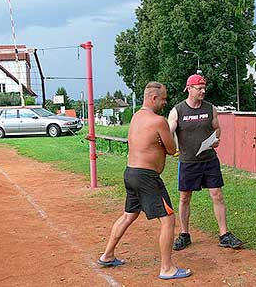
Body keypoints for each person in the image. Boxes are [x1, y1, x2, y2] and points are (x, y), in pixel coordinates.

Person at [98, 82, 192, 280]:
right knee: (168, 219)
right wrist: (168, 144)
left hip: (131, 173)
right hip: (146, 177)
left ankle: (107, 255)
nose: (165, 102)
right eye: (164, 98)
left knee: (128, 215)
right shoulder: (158, 121)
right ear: (153, 98)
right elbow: (171, 148)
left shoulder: (136, 117)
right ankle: (167, 268)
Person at [168, 74, 244, 251]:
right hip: (188, 162)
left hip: (209, 160)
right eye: (199, 88)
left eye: (204, 88)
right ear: (189, 88)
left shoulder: (210, 109)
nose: (203, 91)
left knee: (217, 195)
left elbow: (217, 128)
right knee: (184, 197)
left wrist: (216, 139)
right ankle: (185, 234)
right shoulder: (178, 111)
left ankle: (224, 235)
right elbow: (169, 131)